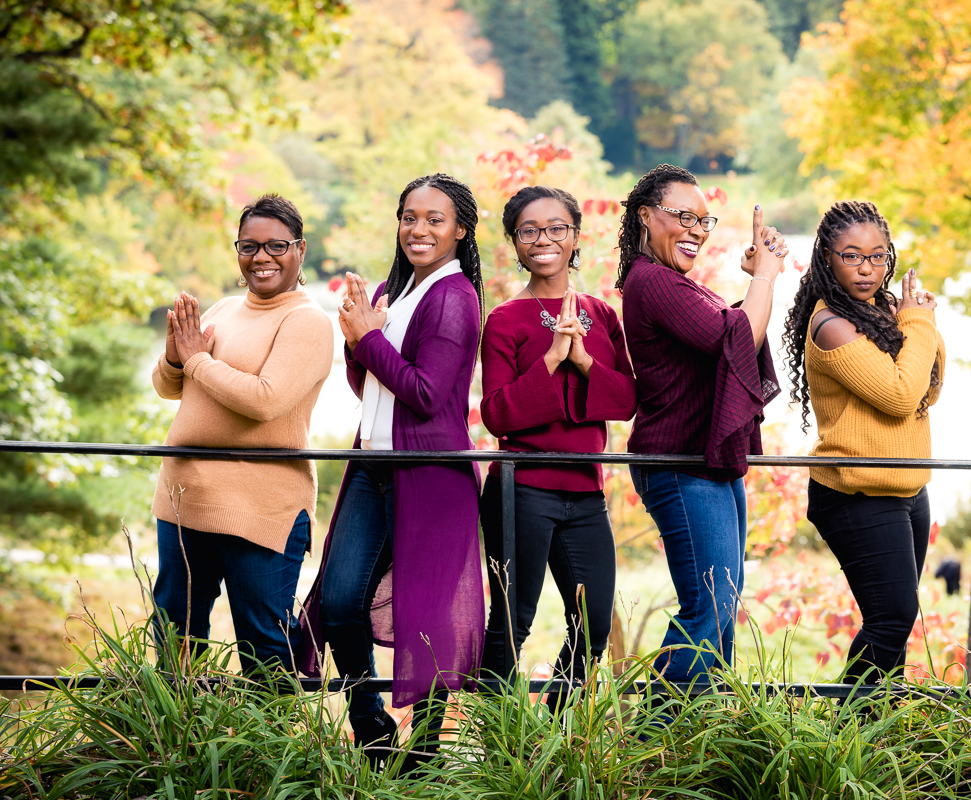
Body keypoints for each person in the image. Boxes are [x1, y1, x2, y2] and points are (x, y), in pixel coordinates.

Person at [298, 174, 485, 768]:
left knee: (427, 615)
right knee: (339, 597)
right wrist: (358, 340)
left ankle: (425, 755)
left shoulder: (457, 298)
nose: (419, 229)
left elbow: (426, 394)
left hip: (430, 472)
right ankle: (371, 726)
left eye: (435, 219)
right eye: (410, 216)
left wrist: (368, 339)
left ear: (460, 231)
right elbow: (369, 385)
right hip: (373, 465)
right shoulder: (391, 291)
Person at [151, 194, 333, 677]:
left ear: (300, 249)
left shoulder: (307, 321)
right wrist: (175, 357)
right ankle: (176, 739)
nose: (262, 257)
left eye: (277, 246)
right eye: (249, 246)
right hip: (184, 494)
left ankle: (266, 749)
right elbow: (169, 388)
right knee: (175, 630)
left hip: (261, 504)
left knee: (264, 643)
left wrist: (196, 360)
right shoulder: (225, 308)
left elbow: (265, 400)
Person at [618, 164, 784, 686]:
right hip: (678, 465)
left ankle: (706, 735)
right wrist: (764, 277)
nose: (695, 229)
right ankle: (658, 739)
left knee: (722, 608)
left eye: (704, 220)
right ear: (646, 216)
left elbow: (740, 334)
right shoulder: (652, 281)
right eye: (682, 216)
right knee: (708, 609)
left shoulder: (677, 284)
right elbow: (732, 339)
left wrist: (761, 278)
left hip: (707, 463)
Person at [479, 186, 637, 709]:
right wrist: (550, 358)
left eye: (555, 228)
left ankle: (549, 732)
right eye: (529, 230)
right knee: (512, 621)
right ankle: (498, 741)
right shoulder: (504, 319)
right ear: (515, 243)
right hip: (521, 490)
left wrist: (585, 361)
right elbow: (498, 414)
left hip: (585, 493)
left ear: (575, 237)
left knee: (591, 628)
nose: (543, 239)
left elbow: (627, 400)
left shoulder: (600, 313)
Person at [782, 200, 945, 684]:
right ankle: (849, 735)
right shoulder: (831, 324)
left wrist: (923, 323)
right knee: (890, 619)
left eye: (877, 256)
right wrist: (918, 326)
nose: (866, 267)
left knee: (895, 622)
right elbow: (898, 396)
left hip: (907, 488)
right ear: (827, 256)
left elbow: (927, 390)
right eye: (851, 255)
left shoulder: (887, 311)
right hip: (855, 493)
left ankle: (879, 729)